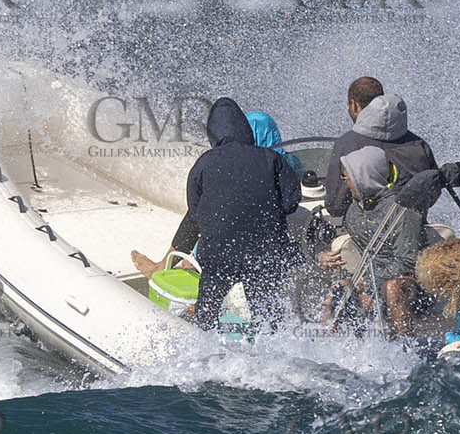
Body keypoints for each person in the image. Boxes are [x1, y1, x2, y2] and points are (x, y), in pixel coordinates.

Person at [131, 108, 297, 277]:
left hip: (256, 242)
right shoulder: (289, 161)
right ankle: (187, 261)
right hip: (269, 240)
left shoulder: (259, 164)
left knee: (211, 208)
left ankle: (175, 265)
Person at [185, 97, 302, 330]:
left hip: (218, 253)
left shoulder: (204, 163)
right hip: (264, 251)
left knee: (206, 314)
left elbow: (194, 210)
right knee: (268, 318)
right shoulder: (273, 159)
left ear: (213, 133)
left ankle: (201, 341)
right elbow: (291, 203)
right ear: (245, 129)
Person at [317, 146, 427, 335]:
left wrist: (367, 284)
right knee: (336, 292)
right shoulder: (354, 211)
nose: (346, 183)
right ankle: (325, 349)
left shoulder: (403, 210)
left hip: (413, 285)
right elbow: (344, 243)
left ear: (363, 177)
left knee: (393, 288)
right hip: (374, 280)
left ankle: (406, 350)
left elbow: (408, 261)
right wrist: (323, 255)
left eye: (347, 177)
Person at [322, 80, 438, 220]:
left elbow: (336, 207)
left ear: (354, 105)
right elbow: (432, 195)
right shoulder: (419, 144)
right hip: (415, 229)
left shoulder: (347, 144)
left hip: (368, 235)